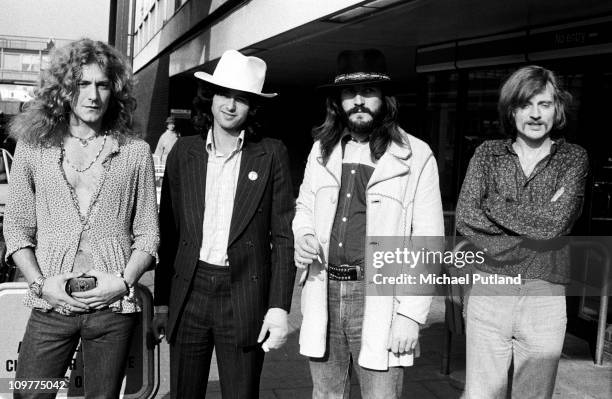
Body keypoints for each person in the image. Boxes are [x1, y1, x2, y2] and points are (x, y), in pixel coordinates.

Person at [3, 38, 159, 398]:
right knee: (30, 393)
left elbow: (148, 233)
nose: (93, 95)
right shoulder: (34, 147)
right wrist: (42, 285)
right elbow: (16, 226)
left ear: (114, 90)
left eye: (102, 85)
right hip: (50, 303)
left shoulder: (135, 153)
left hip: (112, 306)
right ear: (63, 89)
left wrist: (123, 282)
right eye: (81, 84)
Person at [293, 49, 444, 399]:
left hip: (379, 296)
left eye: (369, 92)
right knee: (326, 394)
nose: (359, 101)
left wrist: (411, 315)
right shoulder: (321, 150)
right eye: (350, 93)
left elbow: (428, 241)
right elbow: (303, 206)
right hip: (324, 288)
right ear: (338, 101)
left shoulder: (416, 156)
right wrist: (304, 234)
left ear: (385, 99)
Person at [152, 49, 295, 398]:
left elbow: (283, 236)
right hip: (190, 291)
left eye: (241, 99)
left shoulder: (271, 153)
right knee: (184, 392)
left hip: (243, 293)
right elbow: (168, 234)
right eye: (224, 95)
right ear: (210, 98)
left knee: (241, 393)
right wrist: (161, 303)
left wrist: (278, 308)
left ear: (252, 107)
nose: (230, 106)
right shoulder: (183, 153)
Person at [456, 65, 588, 399]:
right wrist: (535, 227)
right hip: (489, 291)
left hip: (545, 297)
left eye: (543, 104)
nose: (534, 114)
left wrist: (495, 205)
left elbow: (555, 225)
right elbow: (467, 218)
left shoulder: (572, 158)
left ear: (556, 109)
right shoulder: (487, 154)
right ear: (511, 110)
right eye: (525, 105)